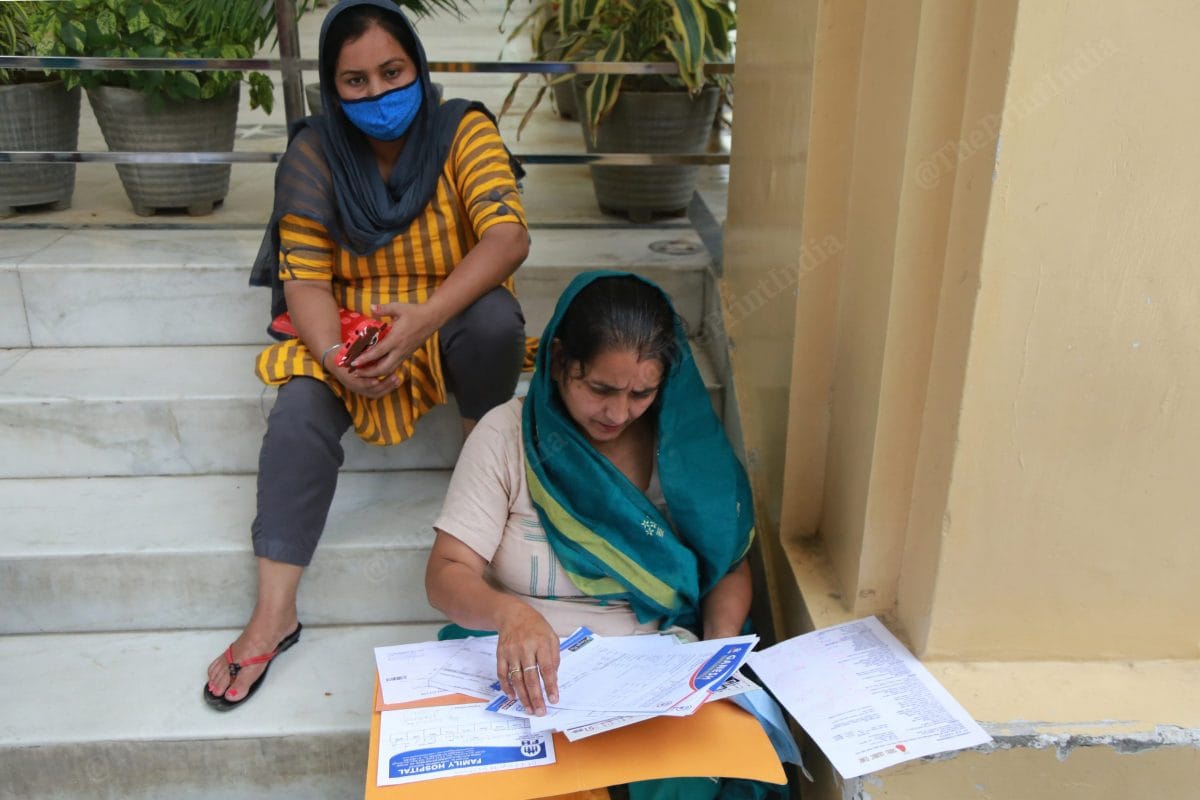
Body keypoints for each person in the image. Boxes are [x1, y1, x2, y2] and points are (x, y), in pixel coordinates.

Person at [204, 0, 529, 710]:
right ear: (332, 86)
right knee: (297, 413)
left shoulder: (461, 130)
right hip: (351, 328)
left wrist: (423, 321)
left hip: (445, 313)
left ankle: (482, 484)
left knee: (495, 321)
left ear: (418, 66)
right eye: (356, 81)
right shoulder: (315, 153)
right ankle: (273, 614)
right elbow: (305, 280)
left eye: (393, 72)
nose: (378, 93)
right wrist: (335, 356)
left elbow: (507, 238)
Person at [426, 272, 796, 799]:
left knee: (687, 781)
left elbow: (727, 564)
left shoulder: (684, 449)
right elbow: (446, 572)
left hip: (653, 668)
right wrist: (511, 616)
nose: (618, 413)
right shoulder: (508, 436)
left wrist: (713, 656)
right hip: (527, 668)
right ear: (559, 360)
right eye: (600, 389)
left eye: (641, 393)